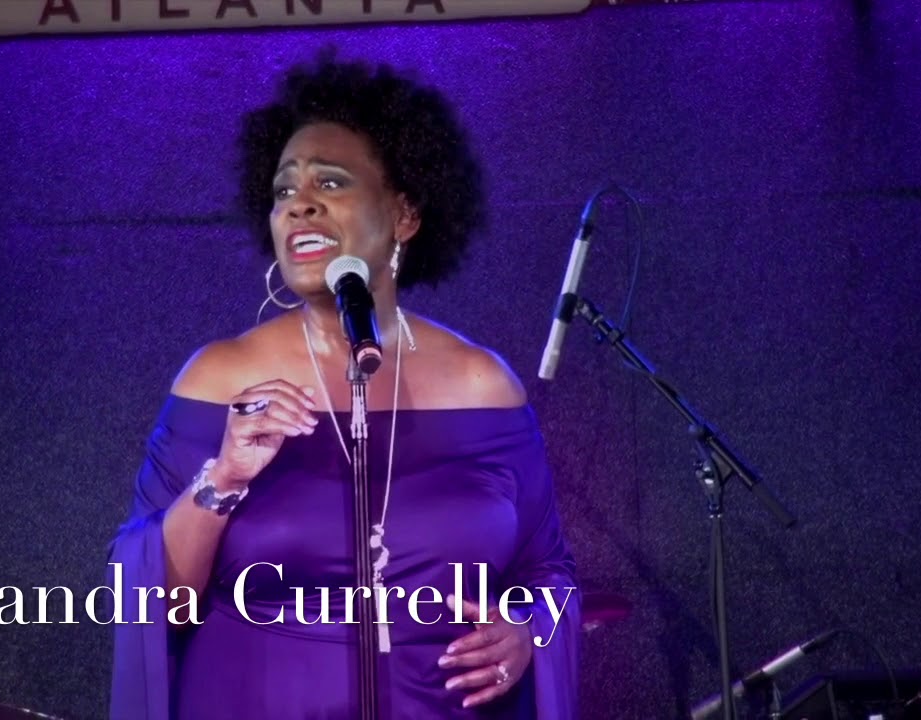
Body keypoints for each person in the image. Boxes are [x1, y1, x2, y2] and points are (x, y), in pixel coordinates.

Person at [108, 53, 580, 720]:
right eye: (283, 192)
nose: (298, 204)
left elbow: (548, 573)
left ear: (404, 214)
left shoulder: (484, 385)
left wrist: (528, 631)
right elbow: (153, 603)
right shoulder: (219, 379)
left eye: (330, 182)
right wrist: (224, 477)